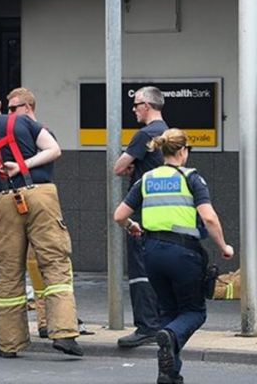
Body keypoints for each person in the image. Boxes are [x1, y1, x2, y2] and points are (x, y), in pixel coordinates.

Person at [0, 83, 82, 358]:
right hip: (41, 195)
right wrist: (24, 165)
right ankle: (64, 334)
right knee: (55, 263)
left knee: (8, 271)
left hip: (3, 201)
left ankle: (10, 343)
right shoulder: (23, 123)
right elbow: (54, 150)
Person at [114, 128, 233, 384]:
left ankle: (169, 374)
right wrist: (224, 246)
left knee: (168, 311)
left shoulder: (145, 179)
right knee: (193, 312)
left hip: (152, 253)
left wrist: (133, 228)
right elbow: (209, 217)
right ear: (182, 151)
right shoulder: (192, 178)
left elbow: (119, 216)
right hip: (183, 254)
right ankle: (169, 337)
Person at [113, 86, 169, 347]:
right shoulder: (168, 133)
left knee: (140, 269)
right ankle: (163, 321)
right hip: (166, 211)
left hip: (144, 211)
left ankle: (146, 326)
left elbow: (118, 167)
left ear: (147, 105)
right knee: (160, 267)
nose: (133, 109)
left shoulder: (144, 134)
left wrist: (131, 166)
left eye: (136, 104)